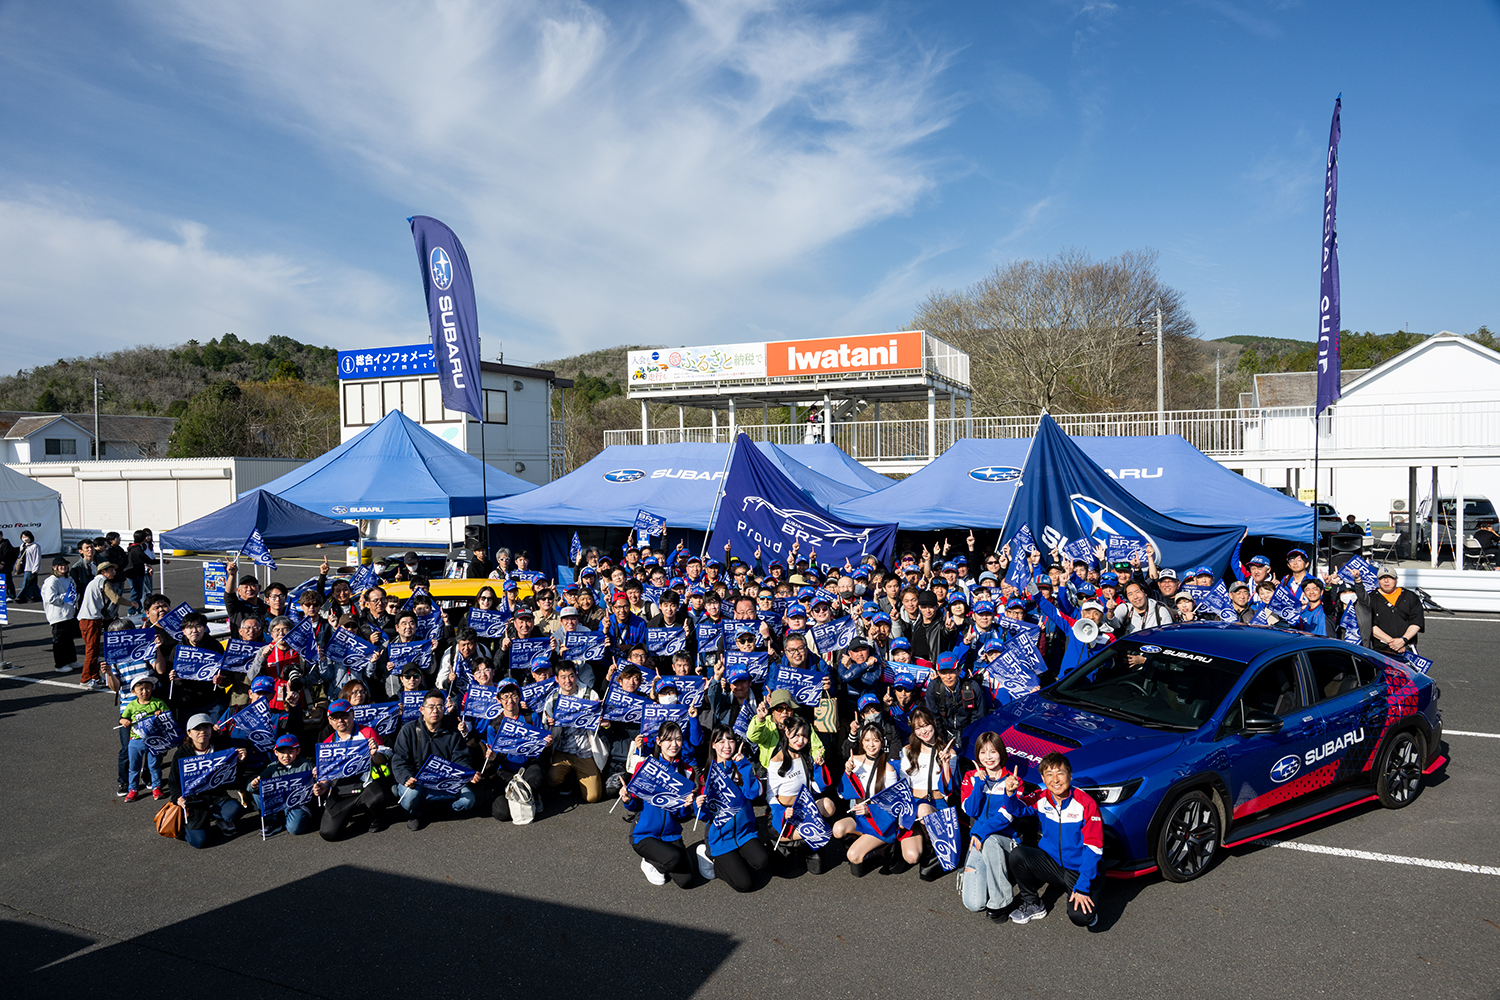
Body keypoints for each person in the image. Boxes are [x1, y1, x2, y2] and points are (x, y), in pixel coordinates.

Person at [1001, 752, 1105, 928]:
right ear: (1043, 778)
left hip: (1079, 870)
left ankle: (1086, 894)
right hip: (1054, 865)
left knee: (1081, 917)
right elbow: (1017, 810)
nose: (1055, 780)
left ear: (1070, 775)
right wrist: (1010, 793)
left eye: (1060, 773)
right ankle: (1033, 904)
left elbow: (1094, 850)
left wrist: (1082, 886)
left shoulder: (1086, 804)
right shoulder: (1041, 797)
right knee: (1018, 855)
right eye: (1049, 774)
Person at [620, 721, 698, 888]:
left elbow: (682, 817)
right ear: (658, 741)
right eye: (668, 739)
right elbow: (635, 806)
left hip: (671, 835)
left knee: (687, 881)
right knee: (674, 859)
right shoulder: (644, 766)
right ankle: (649, 861)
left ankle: (664, 858)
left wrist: (686, 806)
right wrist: (627, 800)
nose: (674, 744)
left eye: (678, 739)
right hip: (644, 834)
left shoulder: (687, 771)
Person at [391, 690, 480, 830]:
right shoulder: (408, 730)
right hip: (417, 780)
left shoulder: (453, 732)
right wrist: (406, 778)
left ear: (444, 709)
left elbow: (461, 758)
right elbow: (399, 760)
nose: (435, 710)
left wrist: (468, 773)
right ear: (422, 710)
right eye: (431, 707)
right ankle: (415, 813)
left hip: (443, 780)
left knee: (468, 800)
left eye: (439, 706)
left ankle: (440, 807)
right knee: (410, 798)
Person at [695, 725, 769, 891]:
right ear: (713, 745)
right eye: (721, 741)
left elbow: (753, 793)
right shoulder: (706, 775)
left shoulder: (742, 766)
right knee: (744, 884)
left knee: (762, 862)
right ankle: (710, 858)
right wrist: (698, 805)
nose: (727, 745)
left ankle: (735, 861)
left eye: (730, 740)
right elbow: (704, 816)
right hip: (720, 837)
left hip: (744, 833)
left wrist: (743, 764)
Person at [161, 713, 249, 849]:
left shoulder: (221, 746)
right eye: (197, 729)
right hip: (194, 801)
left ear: (211, 730)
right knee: (200, 842)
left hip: (217, 796)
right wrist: (177, 798)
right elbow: (173, 782)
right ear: (189, 733)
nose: (202, 732)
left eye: (206, 728)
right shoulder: (182, 753)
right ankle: (188, 826)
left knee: (235, 810)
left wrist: (241, 761)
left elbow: (234, 778)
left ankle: (219, 819)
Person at [959, 731, 1022, 920]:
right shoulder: (971, 776)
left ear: (1001, 752)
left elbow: (1007, 816)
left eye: (993, 751)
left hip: (1004, 840)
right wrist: (979, 784)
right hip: (979, 840)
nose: (988, 757)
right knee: (973, 904)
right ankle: (988, 875)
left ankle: (1001, 902)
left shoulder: (1013, 780)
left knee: (992, 841)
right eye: (983, 752)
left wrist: (979, 831)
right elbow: (969, 810)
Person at [315, 698, 397, 839]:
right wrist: (323, 786)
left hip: (365, 786)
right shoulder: (327, 743)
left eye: (344, 716)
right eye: (335, 718)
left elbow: (383, 760)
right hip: (340, 791)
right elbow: (327, 775)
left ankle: (374, 817)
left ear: (352, 714)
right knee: (329, 834)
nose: (340, 720)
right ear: (330, 721)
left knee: (378, 796)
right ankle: (349, 814)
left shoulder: (367, 732)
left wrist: (375, 754)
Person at [832, 722, 903, 876]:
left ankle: (884, 849)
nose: (871, 745)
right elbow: (841, 794)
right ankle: (867, 843)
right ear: (862, 742)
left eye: (876, 740)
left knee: (853, 857)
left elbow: (894, 806)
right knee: (837, 829)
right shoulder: (854, 761)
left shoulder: (888, 769)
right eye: (867, 740)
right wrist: (847, 773)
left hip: (881, 822)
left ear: (882, 742)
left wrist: (869, 809)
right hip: (860, 819)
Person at [898, 706, 958, 878]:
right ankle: (925, 841)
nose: (923, 731)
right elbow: (903, 785)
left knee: (924, 809)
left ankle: (936, 847)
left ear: (934, 723)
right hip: (914, 804)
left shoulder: (949, 752)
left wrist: (945, 763)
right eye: (918, 727)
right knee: (911, 857)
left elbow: (948, 789)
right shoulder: (908, 751)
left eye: (925, 725)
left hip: (936, 805)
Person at [542, 662, 605, 802]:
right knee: (551, 779)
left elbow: (601, 726)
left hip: (585, 752)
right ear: (556, 679)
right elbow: (546, 733)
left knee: (593, 797)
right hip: (562, 752)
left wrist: (601, 720)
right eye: (563, 677)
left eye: (571, 676)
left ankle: (578, 778)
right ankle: (568, 779)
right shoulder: (552, 700)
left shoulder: (590, 695)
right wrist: (549, 725)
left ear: (576, 675)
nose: (568, 681)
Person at [249, 735, 317, 836]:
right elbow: (250, 789)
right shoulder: (272, 767)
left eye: (290, 752)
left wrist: (317, 777)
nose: (286, 756)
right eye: (282, 752)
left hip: (298, 803)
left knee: (294, 829)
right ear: (276, 752)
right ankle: (274, 821)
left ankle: (302, 818)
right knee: (258, 791)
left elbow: (319, 785)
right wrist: (253, 785)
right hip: (279, 802)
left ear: (298, 751)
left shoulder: (307, 765)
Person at [119, 675, 170, 801]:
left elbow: (168, 716)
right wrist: (124, 721)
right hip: (136, 740)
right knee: (134, 767)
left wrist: (161, 714)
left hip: (154, 740)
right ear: (133, 692)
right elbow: (122, 718)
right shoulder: (131, 705)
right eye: (140, 689)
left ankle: (156, 787)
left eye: (148, 688)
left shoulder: (158, 703)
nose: (144, 691)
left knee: (154, 765)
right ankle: (133, 789)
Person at [77, 562, 126, 688]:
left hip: (90, 618)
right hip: (91, 619)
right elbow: (115, 598)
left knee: (94, 650)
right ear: (103, 572)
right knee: (92, 650)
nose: (114, 573)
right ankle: (85, 679)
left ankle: (95, 676)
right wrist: (132, 604)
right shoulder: (103, 582)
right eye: (111, 570)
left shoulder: (95, 582)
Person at [1364, 567, 1425, 657]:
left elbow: (1417, 622)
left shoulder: (1410, 596)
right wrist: (1393, 643)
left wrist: (1403, 640)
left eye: (1390, 577)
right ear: (1378, 580)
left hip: (1406, 648)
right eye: (1382, 578)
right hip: (1380, 650)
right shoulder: (1370, 598)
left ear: (1396, 579)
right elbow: (1369, 625)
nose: (1386, 581)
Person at [41, 556, 79, 673]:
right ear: (54, 568)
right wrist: (65, 596)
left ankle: (71, 660)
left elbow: (74, 592)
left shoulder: (69, 578)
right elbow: (50, 598)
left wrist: (74, 596)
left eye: (65, 565)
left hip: (69, 614)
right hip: (58, 616)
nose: (64, 567)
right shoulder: (52, 581)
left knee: (69, 639)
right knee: (60, 641)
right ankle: (60, 664)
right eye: (61, 566)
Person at [15, 530, 41, 603]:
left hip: (31, 568)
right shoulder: (22, 546)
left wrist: (35, 570)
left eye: (26, 536)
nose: (25, 538)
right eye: (23, 537)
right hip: (24, 567)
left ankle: (21, 597)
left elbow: (37, 558)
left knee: (26, 582)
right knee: (33, 583)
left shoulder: (35, 546)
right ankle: (37, 595)